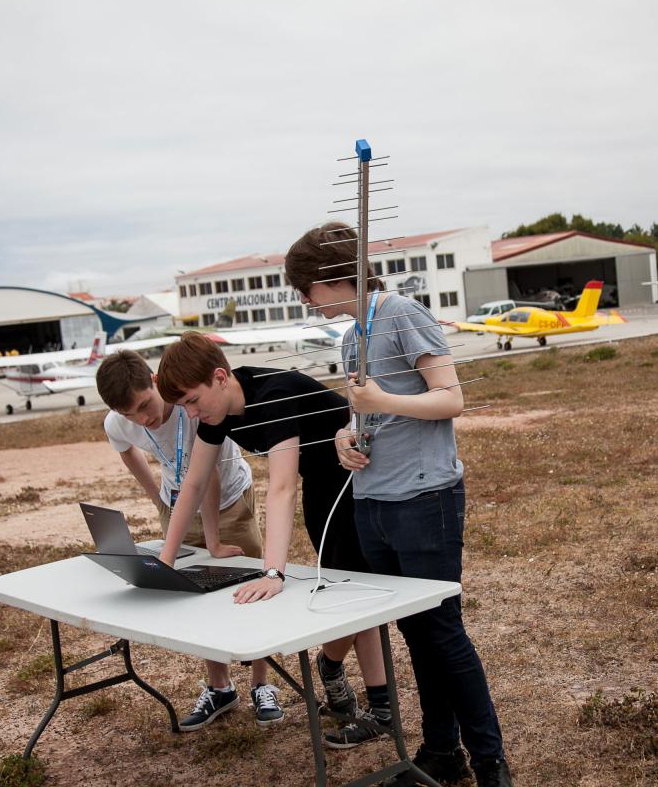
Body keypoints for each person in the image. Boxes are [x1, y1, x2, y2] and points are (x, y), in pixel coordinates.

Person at [285, 222, 514, 787]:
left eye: (304, 289)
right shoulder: (347, 337)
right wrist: (346, 437)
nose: (304, 302)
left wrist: (378, 399)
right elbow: (363, 416)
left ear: (332, 277)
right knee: (414, 634)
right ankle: (441, 754)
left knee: (443, 634)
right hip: (373, 504)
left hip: (424, 498)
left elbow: (451, 398)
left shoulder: (401, 314)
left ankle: (490, 764)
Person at [153, 333, 391, 748]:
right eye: (183, 407)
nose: (190, 413)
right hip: (321, 481)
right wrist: (165, 561)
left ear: (220, 378)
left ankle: (371, 701)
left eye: (192, 400)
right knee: (347, 589)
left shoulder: (273, 395)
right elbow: (191, 485)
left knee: (357, 592)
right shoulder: (216, 414)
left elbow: (280, 488)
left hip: (358, 475)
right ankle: (349, 681)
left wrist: (274, 572)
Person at [94, 350, 277, 729]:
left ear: (155, 382)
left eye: (145, 405)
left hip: (227, 499)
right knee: (195, 593)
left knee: (250, 588)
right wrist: (158, 499)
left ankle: (262, 683)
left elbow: (205, 477)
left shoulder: (191, 408)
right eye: (131, 414)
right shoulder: (119, 422)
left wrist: (212, 541)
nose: (142, 419)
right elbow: (126, 450)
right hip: (177, 505)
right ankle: (219, 686)